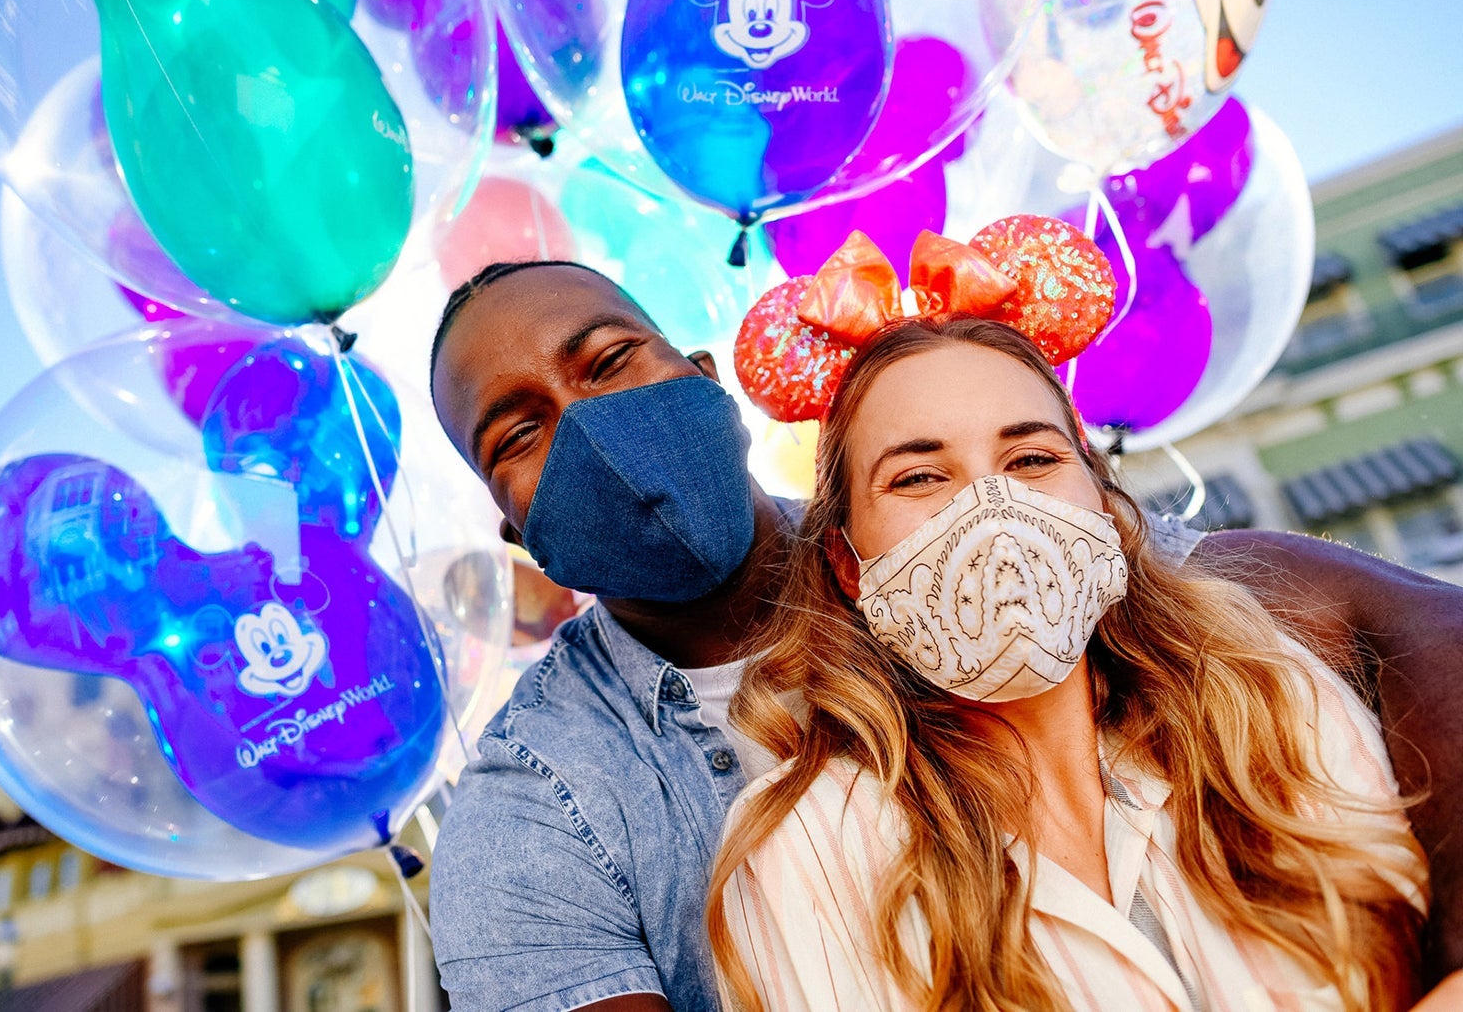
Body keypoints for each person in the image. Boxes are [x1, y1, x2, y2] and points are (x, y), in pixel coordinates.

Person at [426, 259, 1463, 1012]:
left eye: (608, 361)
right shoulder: (555, 823)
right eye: (518, 430)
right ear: (512, 525)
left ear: (705, 377)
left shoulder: (1259, 698)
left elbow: (1403, 620)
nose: (591, 431)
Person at [707, 316, 1461, 1011]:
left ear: (1102, 502)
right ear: (847, 562)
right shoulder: (805, 850)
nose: (992, 508)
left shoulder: (1268, 700)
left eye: (1032, 457)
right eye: (919, 476)